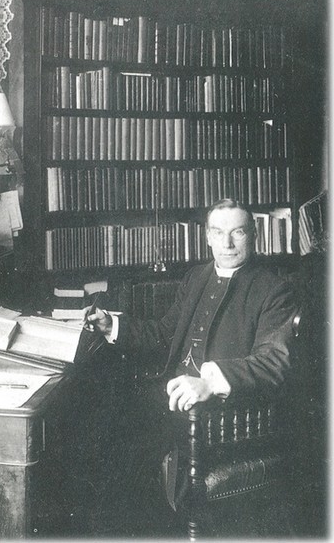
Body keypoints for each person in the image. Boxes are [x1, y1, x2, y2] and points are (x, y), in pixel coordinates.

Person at [82, 198, 298, 535]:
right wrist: (113, 326)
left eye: (237, 233)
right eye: (218, 232)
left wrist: (211, 382)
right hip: (173, 398)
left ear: (254, 235)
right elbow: (167, 333)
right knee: (104, 433)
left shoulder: (274, 289)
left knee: (134, 459)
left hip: (221, 413)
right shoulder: (197, 276)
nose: (227, 243)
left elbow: (274, 361)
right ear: (207, 237)